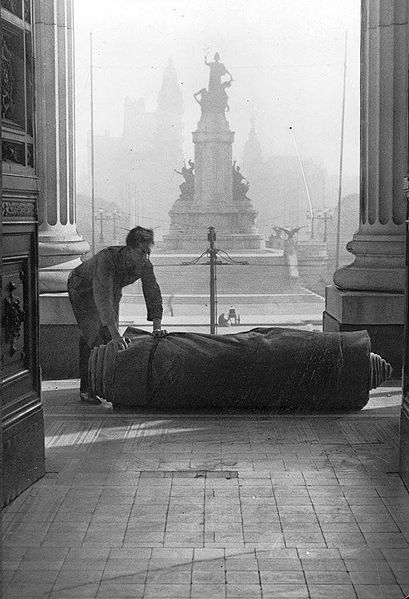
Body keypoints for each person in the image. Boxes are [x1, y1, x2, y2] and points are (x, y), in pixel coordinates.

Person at [67, 226, 163, 404]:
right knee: (94, 336)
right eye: (142, 252)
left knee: (109, 336)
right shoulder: (107, 258)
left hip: (110, 291)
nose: (146, 257)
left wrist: (157, 328)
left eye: (148, 252)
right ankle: (87, 390)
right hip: (82, 288)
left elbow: (153, 293)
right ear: (130, 248)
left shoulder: (145, 265)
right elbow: (102, 296)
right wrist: (115, 333)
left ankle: (100, 383)